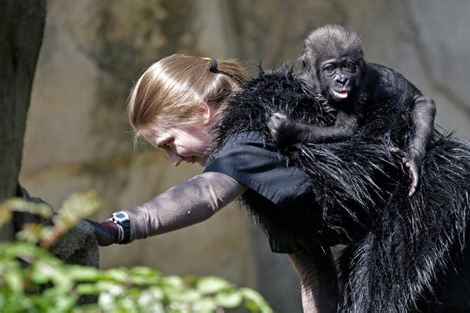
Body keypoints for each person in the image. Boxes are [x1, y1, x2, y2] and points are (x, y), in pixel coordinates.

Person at [89, 54, 338, 312]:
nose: (174, 160)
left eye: (170, 143)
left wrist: (119, 226)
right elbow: (314, 268)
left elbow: (207, 192)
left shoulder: (253, 131)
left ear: (201, 111)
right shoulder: (258, 158)